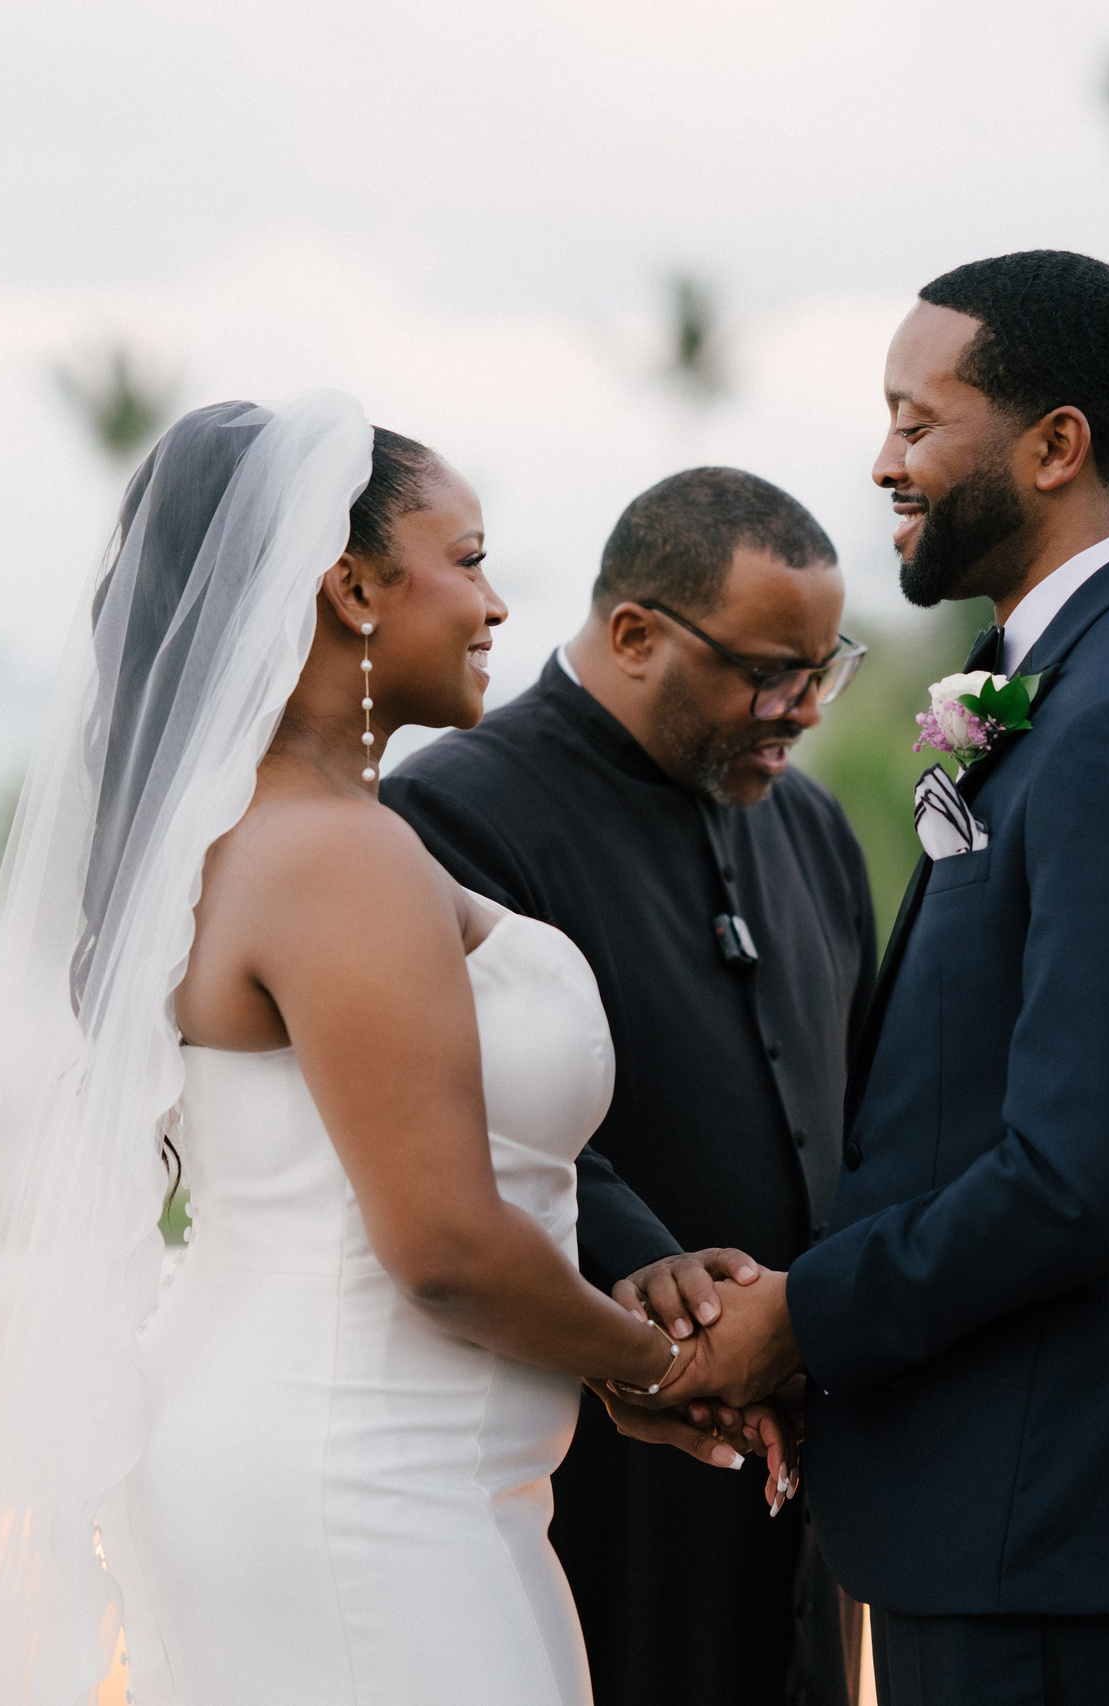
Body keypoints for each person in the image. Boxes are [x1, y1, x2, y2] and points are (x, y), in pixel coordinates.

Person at [0, 395, 782, 1706]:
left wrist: (608, 1335)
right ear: (353, 587)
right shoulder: (338, 859)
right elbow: (447, 1250)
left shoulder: (258, 836)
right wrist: (665, 1365)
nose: (498, 605)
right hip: (359, 1475)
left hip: (322, 1446)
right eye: (466, 559)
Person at [686, 251, 1109, 1706]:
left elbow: (1079, 1175)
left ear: (1055, 444)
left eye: (920, 422)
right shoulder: (1090, 674)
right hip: (1018, 1507)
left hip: (1051, 1508)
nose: (886, 462)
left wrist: (805, 1314)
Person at [386, 467, 873, 1706]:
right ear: (636, 632)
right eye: (769, 672)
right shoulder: (450, 811)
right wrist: (696, 1318)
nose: (802, 710)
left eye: (823, 671)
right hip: (601, 1437)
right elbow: (473, 1116)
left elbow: (856, 1097)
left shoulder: (810, 828)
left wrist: (816, 1317)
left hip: (804, 1453)